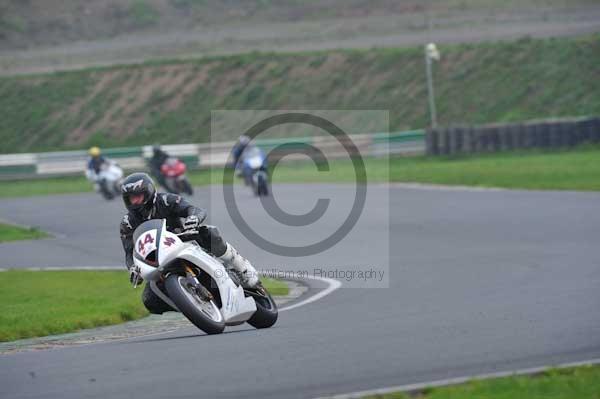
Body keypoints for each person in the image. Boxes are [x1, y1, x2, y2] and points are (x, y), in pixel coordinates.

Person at [119, 172, 260, 314]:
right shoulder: (127, 223)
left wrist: (194, 218)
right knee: (149, 300)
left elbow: (193, 209)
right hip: (158, 260)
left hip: (183, 241)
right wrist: (132, 268)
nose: (134, 202)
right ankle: (191, 304)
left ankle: (242, 268)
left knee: (208, 233)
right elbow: (129, 252)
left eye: (137, 197)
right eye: (131, 199)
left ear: (148, 192)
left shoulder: (166, 200)